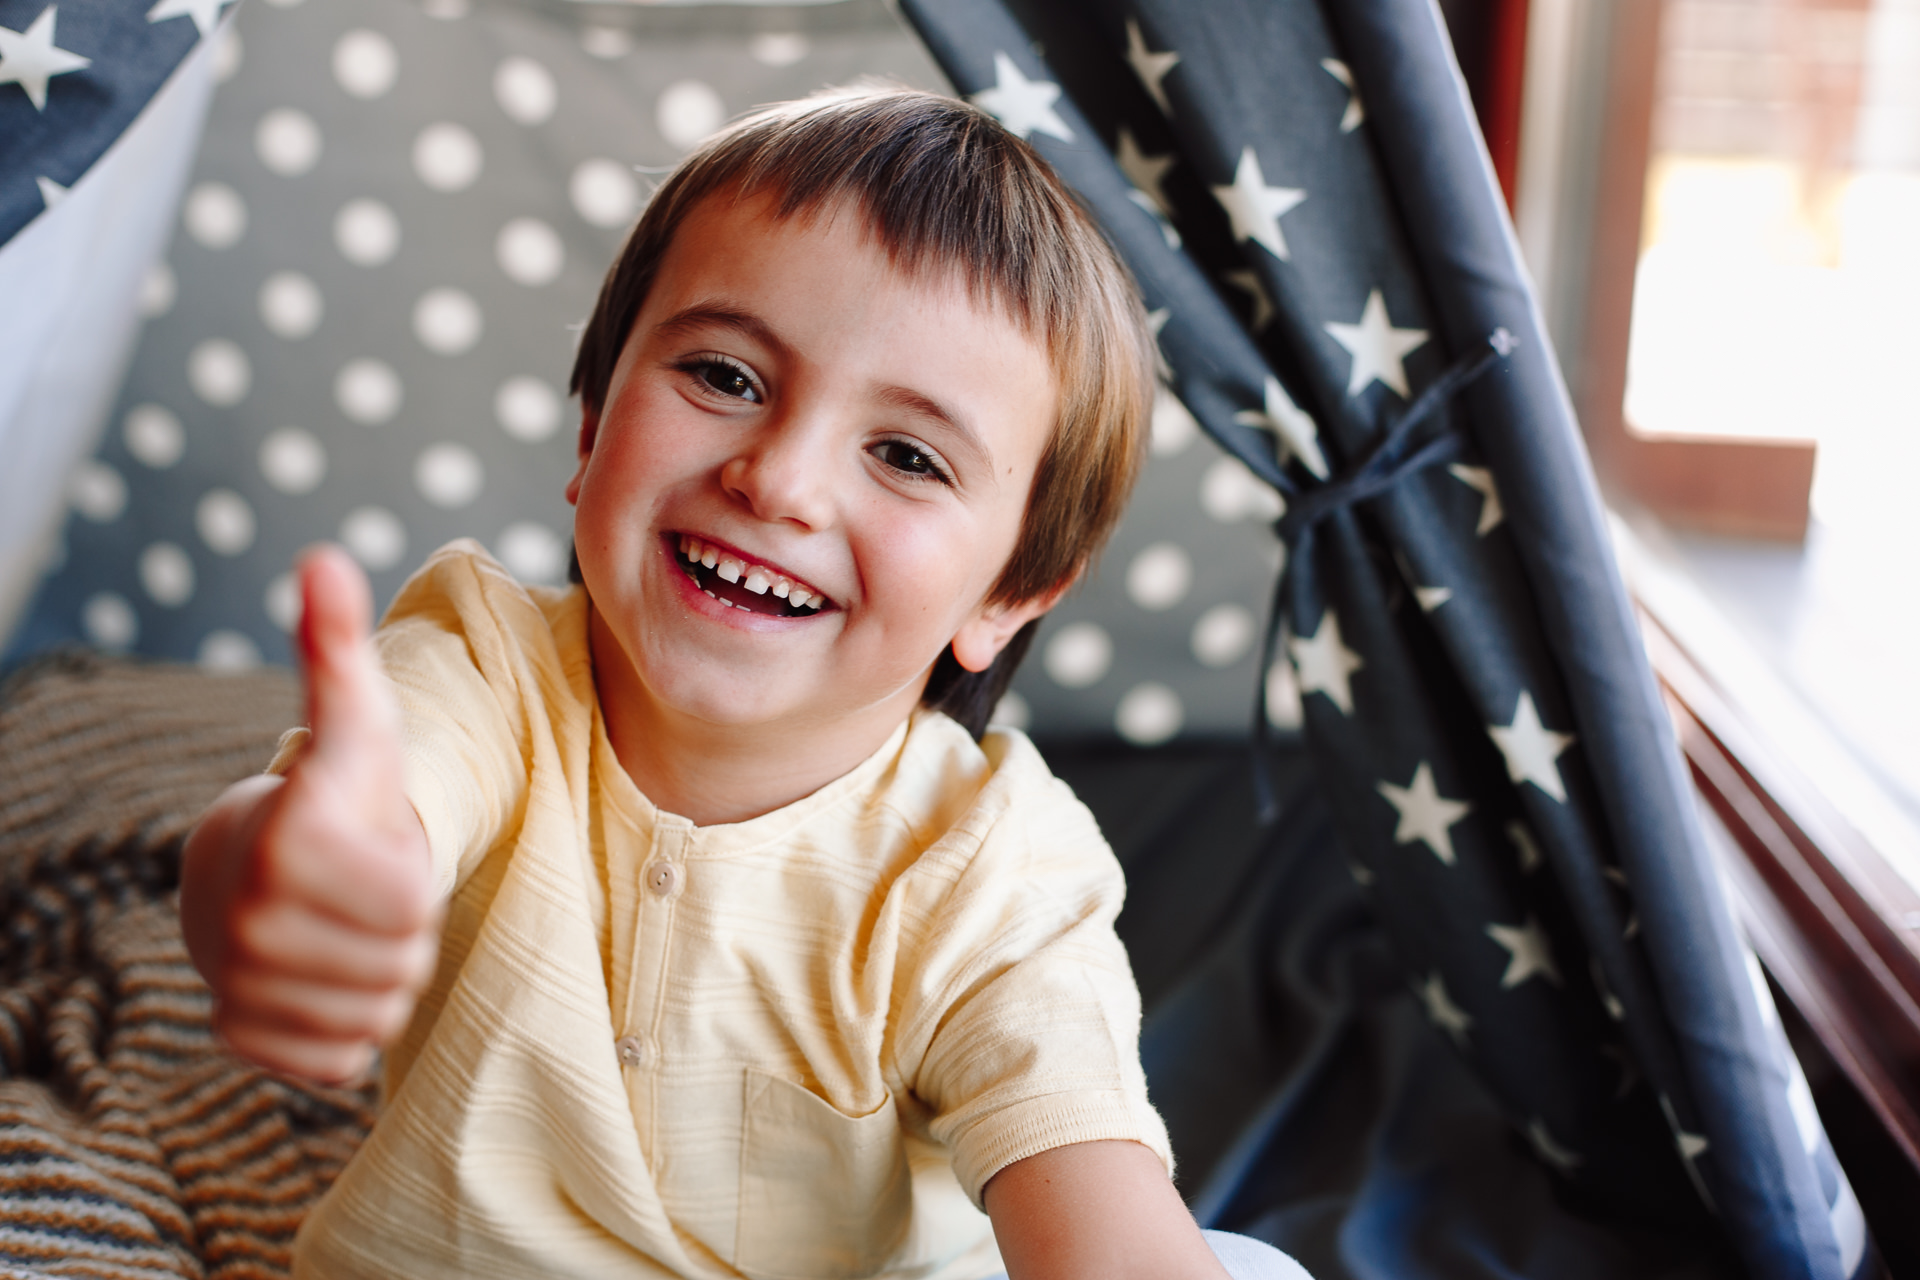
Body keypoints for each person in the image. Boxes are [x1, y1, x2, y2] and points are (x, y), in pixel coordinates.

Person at [180, 87, 1311, 1280]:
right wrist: (305, 870)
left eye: (907, 454)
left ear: (1008, 594)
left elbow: (1094, 1205)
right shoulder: (483, 662)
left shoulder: (988, 867)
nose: (777, 481)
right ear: (592, 427)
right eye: (724, 375)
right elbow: (325, 839)